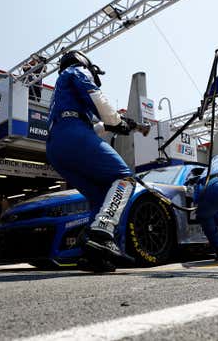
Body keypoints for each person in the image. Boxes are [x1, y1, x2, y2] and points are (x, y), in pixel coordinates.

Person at [46, 50, 143, 272]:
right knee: (125, 178)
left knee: (100, 196)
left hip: (56, 144)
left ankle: (91, 252)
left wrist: (116, 124)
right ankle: (101, 233)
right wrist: (117, 121)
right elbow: (97, 99)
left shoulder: (61, 91)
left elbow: (89, 125)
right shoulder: (76, 70)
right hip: (72, 134)